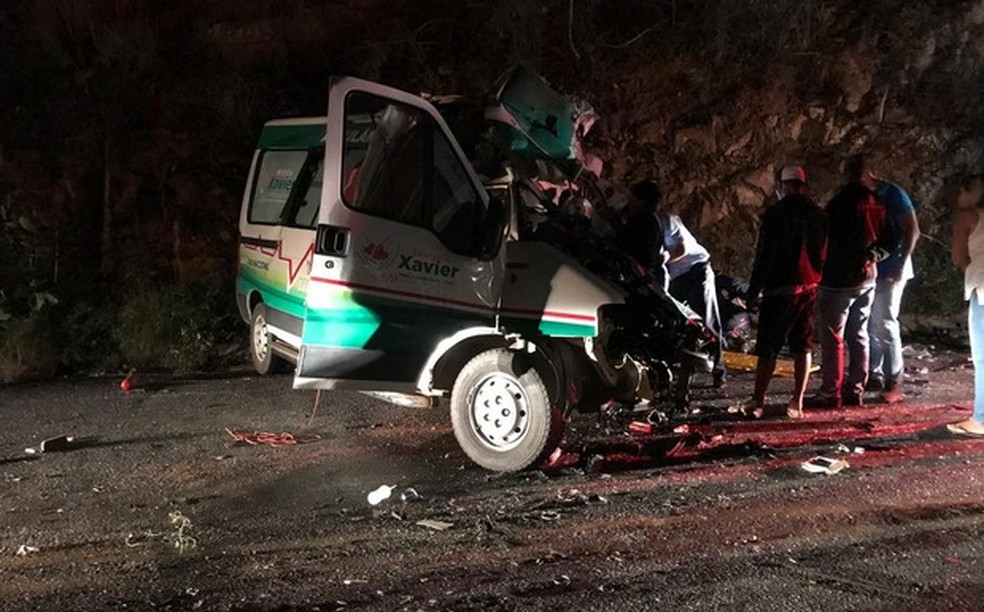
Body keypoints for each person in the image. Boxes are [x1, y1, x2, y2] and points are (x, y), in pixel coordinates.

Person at [809, 154, 897, 408]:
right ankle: (855, 388)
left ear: (846, 173)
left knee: (832, 336)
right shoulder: (878, 203)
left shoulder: (839, 203)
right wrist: (874, 255)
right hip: (867, 278)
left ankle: (830, 391)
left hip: (838, 278)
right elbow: (891, 239)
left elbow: (824, 239)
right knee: (859, 333)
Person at [740, 165, 828, 418]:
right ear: (803, 185)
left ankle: (758, 402)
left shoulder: (775, 214)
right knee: (803, 346)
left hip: (779, 289)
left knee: (768, 347)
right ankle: (797, 403)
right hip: (808, 288)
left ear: (783, 185)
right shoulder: (819, 214)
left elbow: (765, 255)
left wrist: (753, 291)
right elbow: (823, 253)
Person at [868, 172, 921, 404]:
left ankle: (894, 380)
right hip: (874, 267)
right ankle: (875, 373)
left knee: (886, 323)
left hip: (892, 268)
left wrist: (900, 263)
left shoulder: (893, 194)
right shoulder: (866, 195)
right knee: (871, 323)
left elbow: (912, 229)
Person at [657, 208, 726, 386]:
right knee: (670, 318)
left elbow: (682, 248)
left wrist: (662, 259)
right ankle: (670, 366)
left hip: (695, 270)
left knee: (707, 318)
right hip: (675, 277)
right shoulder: (643, 225)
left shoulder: (667, 219)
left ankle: (718, 370)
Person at [948, 174, 984, 437]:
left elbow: (959, 256)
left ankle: (980, 418)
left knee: (983, 358)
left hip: (982, 289)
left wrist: (969, 267)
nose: (959, 196)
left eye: (963, 191)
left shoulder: (968, 217)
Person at [616, 180, 669, 290]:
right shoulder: (638, 217)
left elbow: (628, 245)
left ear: (641, 201)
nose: (629, 201)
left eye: (632, 198)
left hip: (636, 274)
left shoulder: (646, 223)